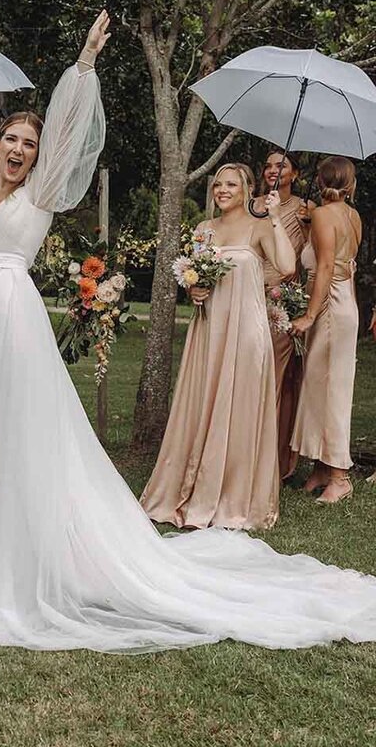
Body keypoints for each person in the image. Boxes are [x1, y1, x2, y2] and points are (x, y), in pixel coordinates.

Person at [0, 11, 376, 653]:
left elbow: (68, 134)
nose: (20, 151)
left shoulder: (41, 197)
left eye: (30, 144)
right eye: (12, 140)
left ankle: (14, 563)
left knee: (13, 438)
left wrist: (83, 67)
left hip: (10, 323)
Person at [141, 164, 295, 531]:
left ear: (247, 189)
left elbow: (287, 265)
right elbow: (194, 276)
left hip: (245, 334)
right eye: (218, 184)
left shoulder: (260, 226)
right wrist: (194, 290)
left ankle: (232, 495)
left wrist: (275, 216)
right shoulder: (203, 231)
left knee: (238, 407)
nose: (222, 190)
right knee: (202, 404)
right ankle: (191, 485)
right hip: (208, 332)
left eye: (231, 184)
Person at [290, 156, 362, 505]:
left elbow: (324, 267)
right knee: (319, 385)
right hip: (345, 304)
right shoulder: (352, 216)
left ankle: (340, 476)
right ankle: (320, 467)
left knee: (331, 389)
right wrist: (307, 228)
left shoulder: (322, 213)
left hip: (331, 307)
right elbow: (333, 254)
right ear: (350, 184)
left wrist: (309, 314)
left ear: (320, 180)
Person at [252, 150, 313, 480]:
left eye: (282, 165)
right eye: (269, 165)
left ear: (295, 174)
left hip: (280, 302)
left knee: (274, 381)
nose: (273, 170)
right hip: (246, 296)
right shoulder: (252, 205)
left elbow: (316, 257)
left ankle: (272, 462)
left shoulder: (306, 210)